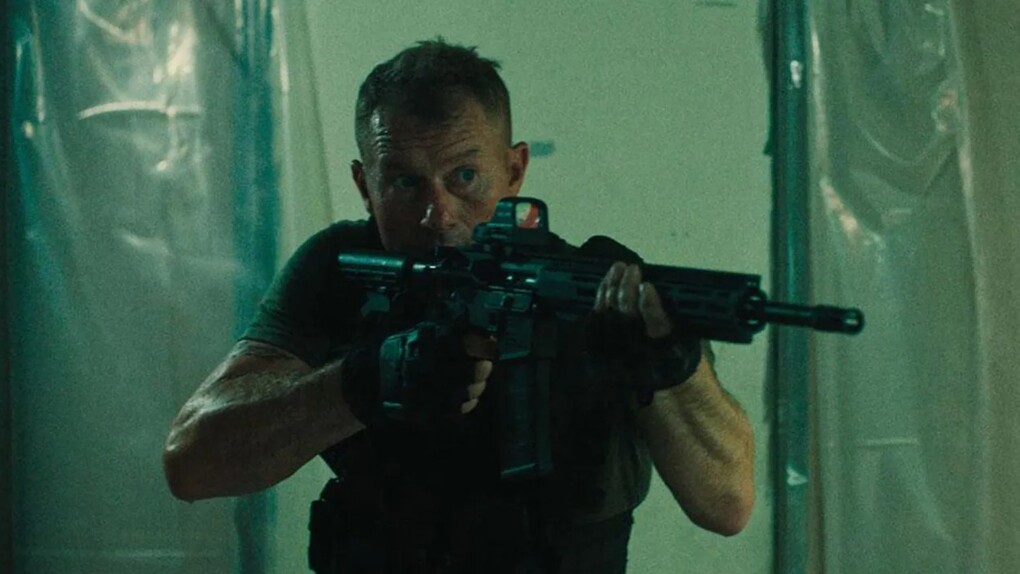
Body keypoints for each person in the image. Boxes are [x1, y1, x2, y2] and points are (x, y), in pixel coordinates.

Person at [163, 39, 754, 573]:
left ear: (514, 169)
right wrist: (364, 382)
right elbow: (191, 461)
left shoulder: (595, 287)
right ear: (365, 186)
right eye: (405, 183)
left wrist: (672, 367)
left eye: (464, 175)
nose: (438, 215)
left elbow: (727, 504)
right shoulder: (340, 270)